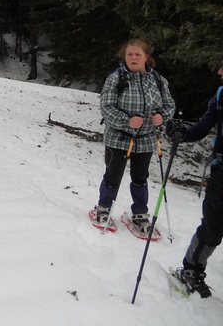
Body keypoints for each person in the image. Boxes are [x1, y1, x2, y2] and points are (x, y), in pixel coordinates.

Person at [94, 38, 175, 234]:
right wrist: (126, 121)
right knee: (113, 175)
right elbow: (106, 106)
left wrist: (161, 116)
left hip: (146, 138)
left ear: (146, 57)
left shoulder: (158, 80)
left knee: (140, 177)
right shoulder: (116, 78)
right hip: (118, 137)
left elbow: (170, 105)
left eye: (138, 54)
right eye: (129, 54)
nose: (133, 57)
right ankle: (104, 207)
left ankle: (140, 213)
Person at [167, 61, 223, 298]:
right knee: (213, 226)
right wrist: (183, 133)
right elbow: (204, 126)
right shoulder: (222, 94)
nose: (219, 72)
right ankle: (191, 271)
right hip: (222, 174)